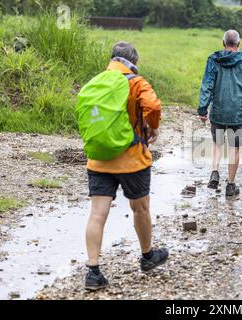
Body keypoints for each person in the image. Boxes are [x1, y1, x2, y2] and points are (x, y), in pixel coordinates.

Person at [84, 42, 168, 291]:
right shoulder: (136, 82)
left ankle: (93, 271)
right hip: (132, 159)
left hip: (99, 159)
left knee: (97, 213)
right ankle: (147, 256)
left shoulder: (97, 82)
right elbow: (153, 107)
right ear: (133, 60)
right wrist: (153, 127)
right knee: (140, 208)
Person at [198, 30, 242, 198]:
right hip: (237, 115)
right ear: (238, 44)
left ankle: (215, 172)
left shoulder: (213, 60)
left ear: (223, 43)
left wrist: (203, 109)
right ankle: (231, 185)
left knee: (217, 144)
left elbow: (207, 85)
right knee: (234, 148)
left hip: (217, 112)